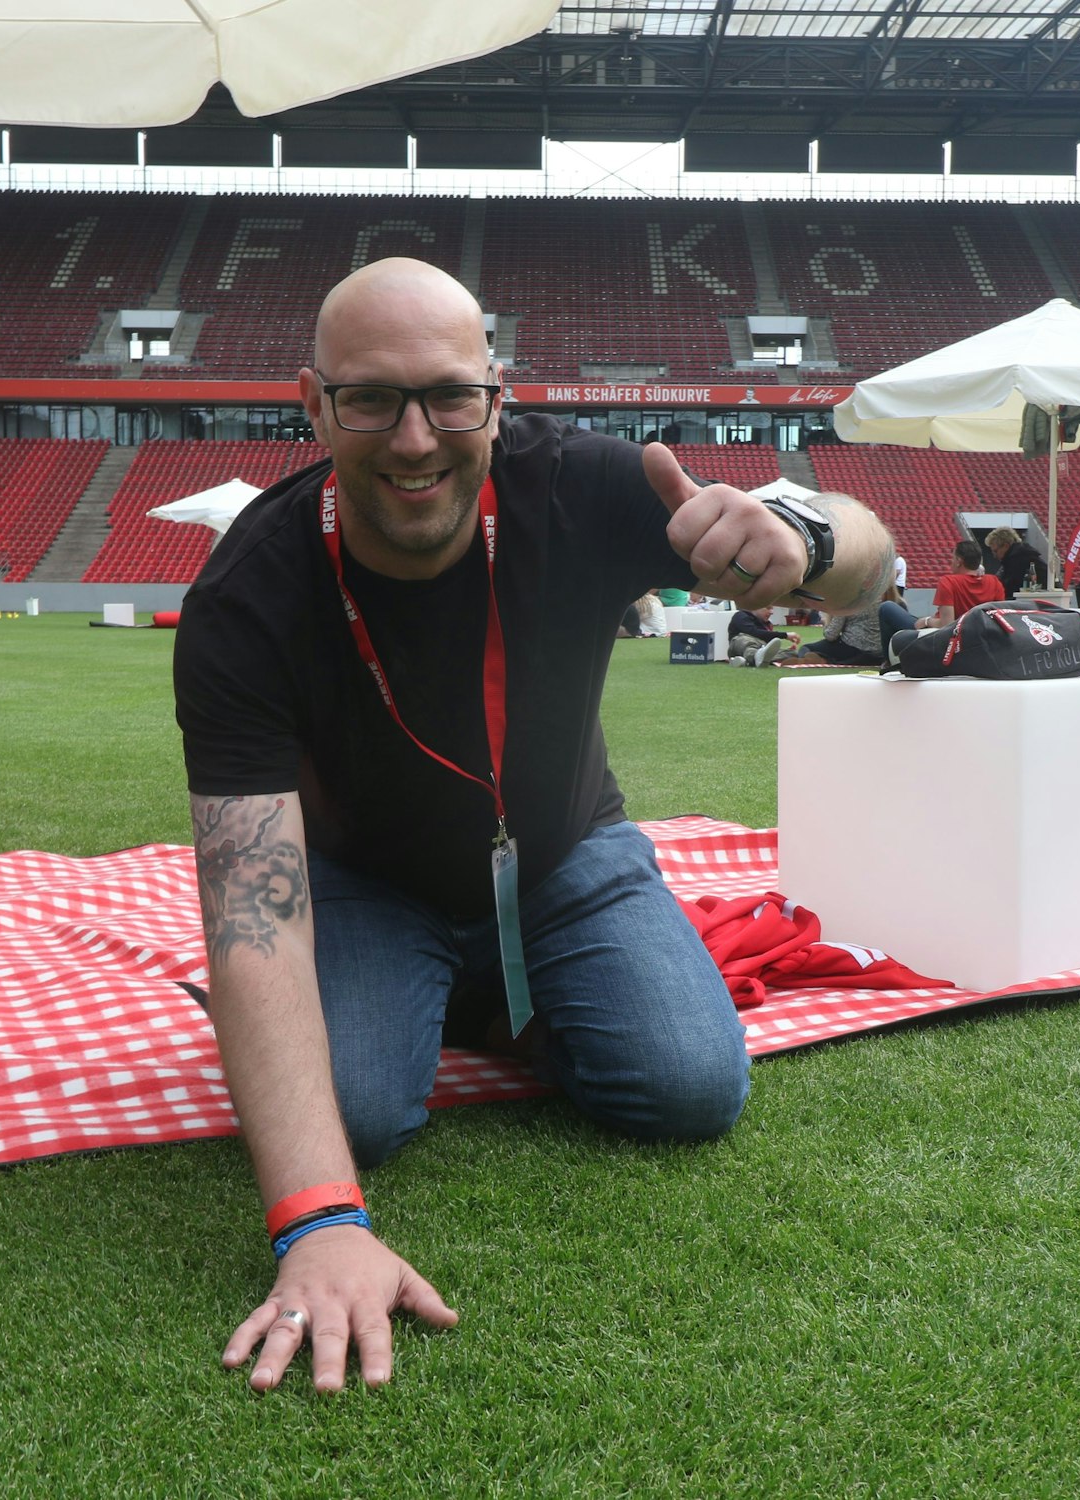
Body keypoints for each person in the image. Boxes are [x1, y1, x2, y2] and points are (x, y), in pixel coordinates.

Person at [173, 257, 897, 1394]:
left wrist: (802, 538)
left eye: (447, 396)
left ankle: (478, 993)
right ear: (311, 404)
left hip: (567, 855)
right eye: (370, 399)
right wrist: (315, 1224)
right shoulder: (244, 599)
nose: (414, 438)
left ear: (495, 396)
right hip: (366, 883)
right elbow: (250, 918)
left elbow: (872, 566)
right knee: (350, 1115)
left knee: (687, 1090)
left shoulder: (585, 487)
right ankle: (453, 994)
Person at [802, 586, 918, 666]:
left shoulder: (852, 599)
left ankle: (816, 661)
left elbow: (831, 635)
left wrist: (826, 621)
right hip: (882, 653)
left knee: (807, 648)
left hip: (852, 647)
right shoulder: (898, 603)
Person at [918, 538, 1006, 628]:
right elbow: (1000, 618)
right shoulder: (994, 582)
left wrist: (926, 621)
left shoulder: (948, 582)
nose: (951, 562)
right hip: (985, 634)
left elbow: (946, 624)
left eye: (953, 558)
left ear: (958, 562)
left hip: (957, 637)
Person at [726, 604, 800, 666]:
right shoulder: (741, 616)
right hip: (740, 646)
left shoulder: (766, 624)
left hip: (761, 648)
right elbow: (754, 632)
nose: (772, 612)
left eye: (772, 609)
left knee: (793, 653)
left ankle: (749, 661)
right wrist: (785, 635)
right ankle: (756, 657)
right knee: (744, 639)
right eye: (768, 608)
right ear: (755, 606)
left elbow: (767, 642)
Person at [984, 526, 1046, 597]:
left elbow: (1009, 588)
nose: (994, 556)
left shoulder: (1016, 560)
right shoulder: (1025, 555)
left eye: (995, 551)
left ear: (1006, 546)